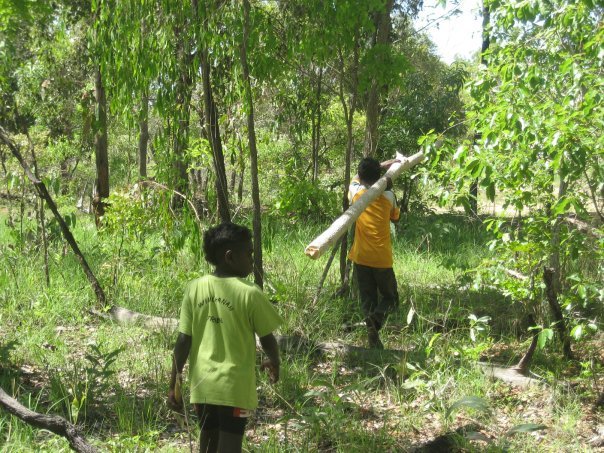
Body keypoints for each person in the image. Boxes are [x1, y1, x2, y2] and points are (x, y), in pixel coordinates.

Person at [168, 222, 282, 453]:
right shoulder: (249, 293)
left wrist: (174, 382)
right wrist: (275, 361)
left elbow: (183, 341)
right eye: (249, 253)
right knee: (230, 444)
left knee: (208, 443)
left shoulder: (194, 288)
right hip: (234, 388)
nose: (252, 259)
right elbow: (267, 338)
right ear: (230, 257)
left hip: (203, 387)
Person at [348, 157, 401, 349]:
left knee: (368, 300)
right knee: (391, 299)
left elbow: (355, 179)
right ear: (379, 176)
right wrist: (386, 174)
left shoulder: (356, 193)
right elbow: (395, 218)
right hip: (381, 259)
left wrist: (380, 165)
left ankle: (372, 330)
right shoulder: (389, 197)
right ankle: (375, 324)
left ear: (361, 177)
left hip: (360, 257)